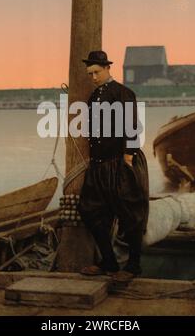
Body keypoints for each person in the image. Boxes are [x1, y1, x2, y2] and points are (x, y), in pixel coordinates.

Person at [78, 50, 149, 280]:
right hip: (98, 166)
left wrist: (128, 157)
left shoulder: (122, 93)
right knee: (89, 210)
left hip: (119, 164)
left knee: (130, 214)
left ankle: (134, 266)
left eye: (97, 72)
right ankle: (109, 262)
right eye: (90, 74)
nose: (94, 77)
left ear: (108, 68)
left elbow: (132, 125)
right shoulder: (94, 95)